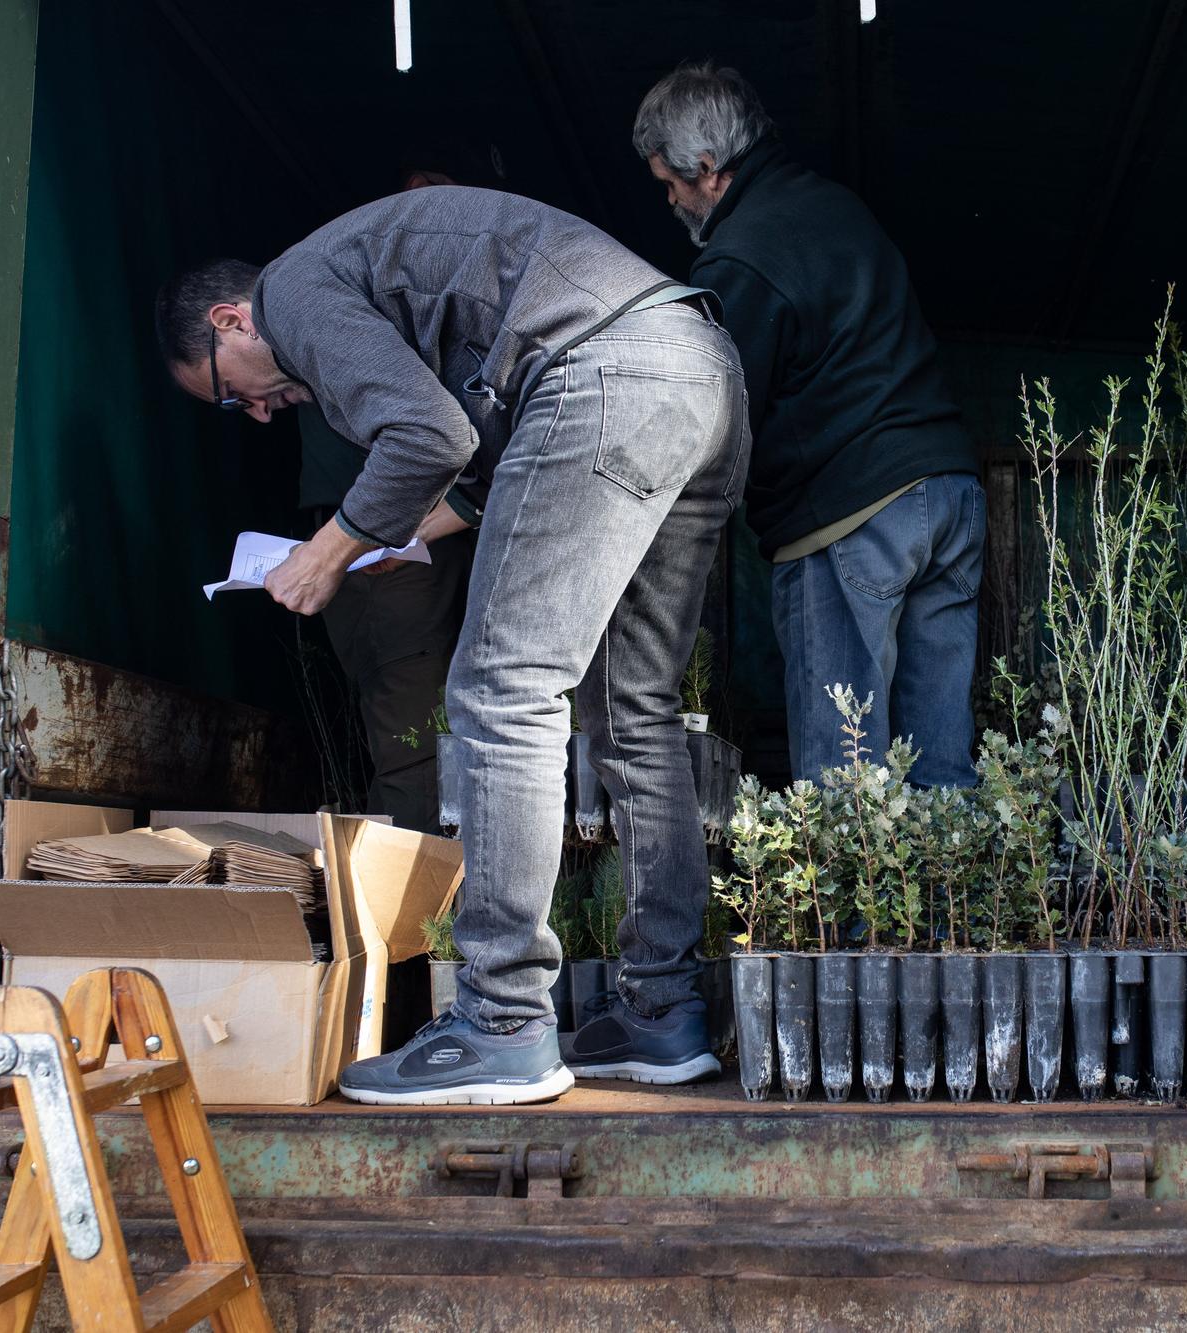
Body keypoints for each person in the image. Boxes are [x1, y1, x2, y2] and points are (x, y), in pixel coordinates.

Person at [155, 186, 750, 1103]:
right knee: (635, 707)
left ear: (232, 320)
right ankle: (662, 1010)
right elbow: (473, 439)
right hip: (699, 373)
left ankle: (503, 1020)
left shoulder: (292, 292)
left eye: (232, 395)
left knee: (504, 687)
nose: (261, 412)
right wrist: (399, 533)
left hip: (606, 372)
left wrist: (330, 549)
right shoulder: (363, 278)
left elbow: (427, 433)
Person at [633, 63, 985, 787]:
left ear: (707, 168)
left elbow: (718, 426)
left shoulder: (740, 259)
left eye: (670, 182)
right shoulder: (835, 204)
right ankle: (952, 867)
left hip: (852, 514)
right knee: (940, 776)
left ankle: (853, 876)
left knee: (843, 778)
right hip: (950, 493)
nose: (669, 199)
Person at [298, 166, 475, 835]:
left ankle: (431, 880)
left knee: (434, 727)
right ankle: (416, 890)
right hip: (385, 550)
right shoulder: (356, 301)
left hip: (419, 540)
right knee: (413, 738)